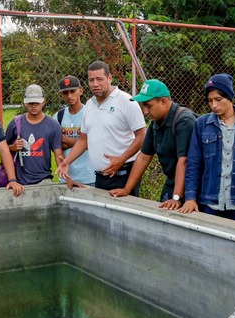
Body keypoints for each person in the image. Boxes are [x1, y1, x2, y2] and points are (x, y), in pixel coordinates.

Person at [179, 73, 235, 224]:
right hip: (210, 202)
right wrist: (190, 198)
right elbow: (194, 164)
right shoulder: (202, 124)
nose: (214, 105)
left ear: (229, 97)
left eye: (218, 99)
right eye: (210, 100)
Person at [56, 61, 146, 193]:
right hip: (99, 177)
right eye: (91, 80)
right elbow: (83, 140)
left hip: (123, 176)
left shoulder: (126, 101)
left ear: (109, 78)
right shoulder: (89, 105)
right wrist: (66, 162)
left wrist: (121, 159)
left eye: (99, 79)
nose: (95, 84)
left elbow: (142, 136)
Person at [108, 79, 196, 209]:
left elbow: (184, 161)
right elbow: (144, 157)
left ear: (163, 101)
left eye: (148, 106)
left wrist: (176, 197)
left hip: (191, 188)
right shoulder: (156, 123)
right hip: (171, 183)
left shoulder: (184, 121)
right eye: (143, 106)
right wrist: (126, 189)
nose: (145, 111)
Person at [5, 84, 63, 185]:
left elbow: (58, 155)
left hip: (44, 180)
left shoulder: (53, 125)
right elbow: (3, 148)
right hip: (20, 182)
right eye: (30, 103)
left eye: (37, 102)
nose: (33, 106)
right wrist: (12, 147)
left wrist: (65, 176)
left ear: (44, 102)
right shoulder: (16, 123)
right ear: (25, 103)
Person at [56, 75, 95, 186]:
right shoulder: (59, 116)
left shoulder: (90, 113)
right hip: (66, 177)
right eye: (65, 93)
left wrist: (66, 140)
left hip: (89, 176)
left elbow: (93, 143)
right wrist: (82, 142)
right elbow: (57, 146)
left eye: (73, 91)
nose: (69, 96)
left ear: (81, 91)